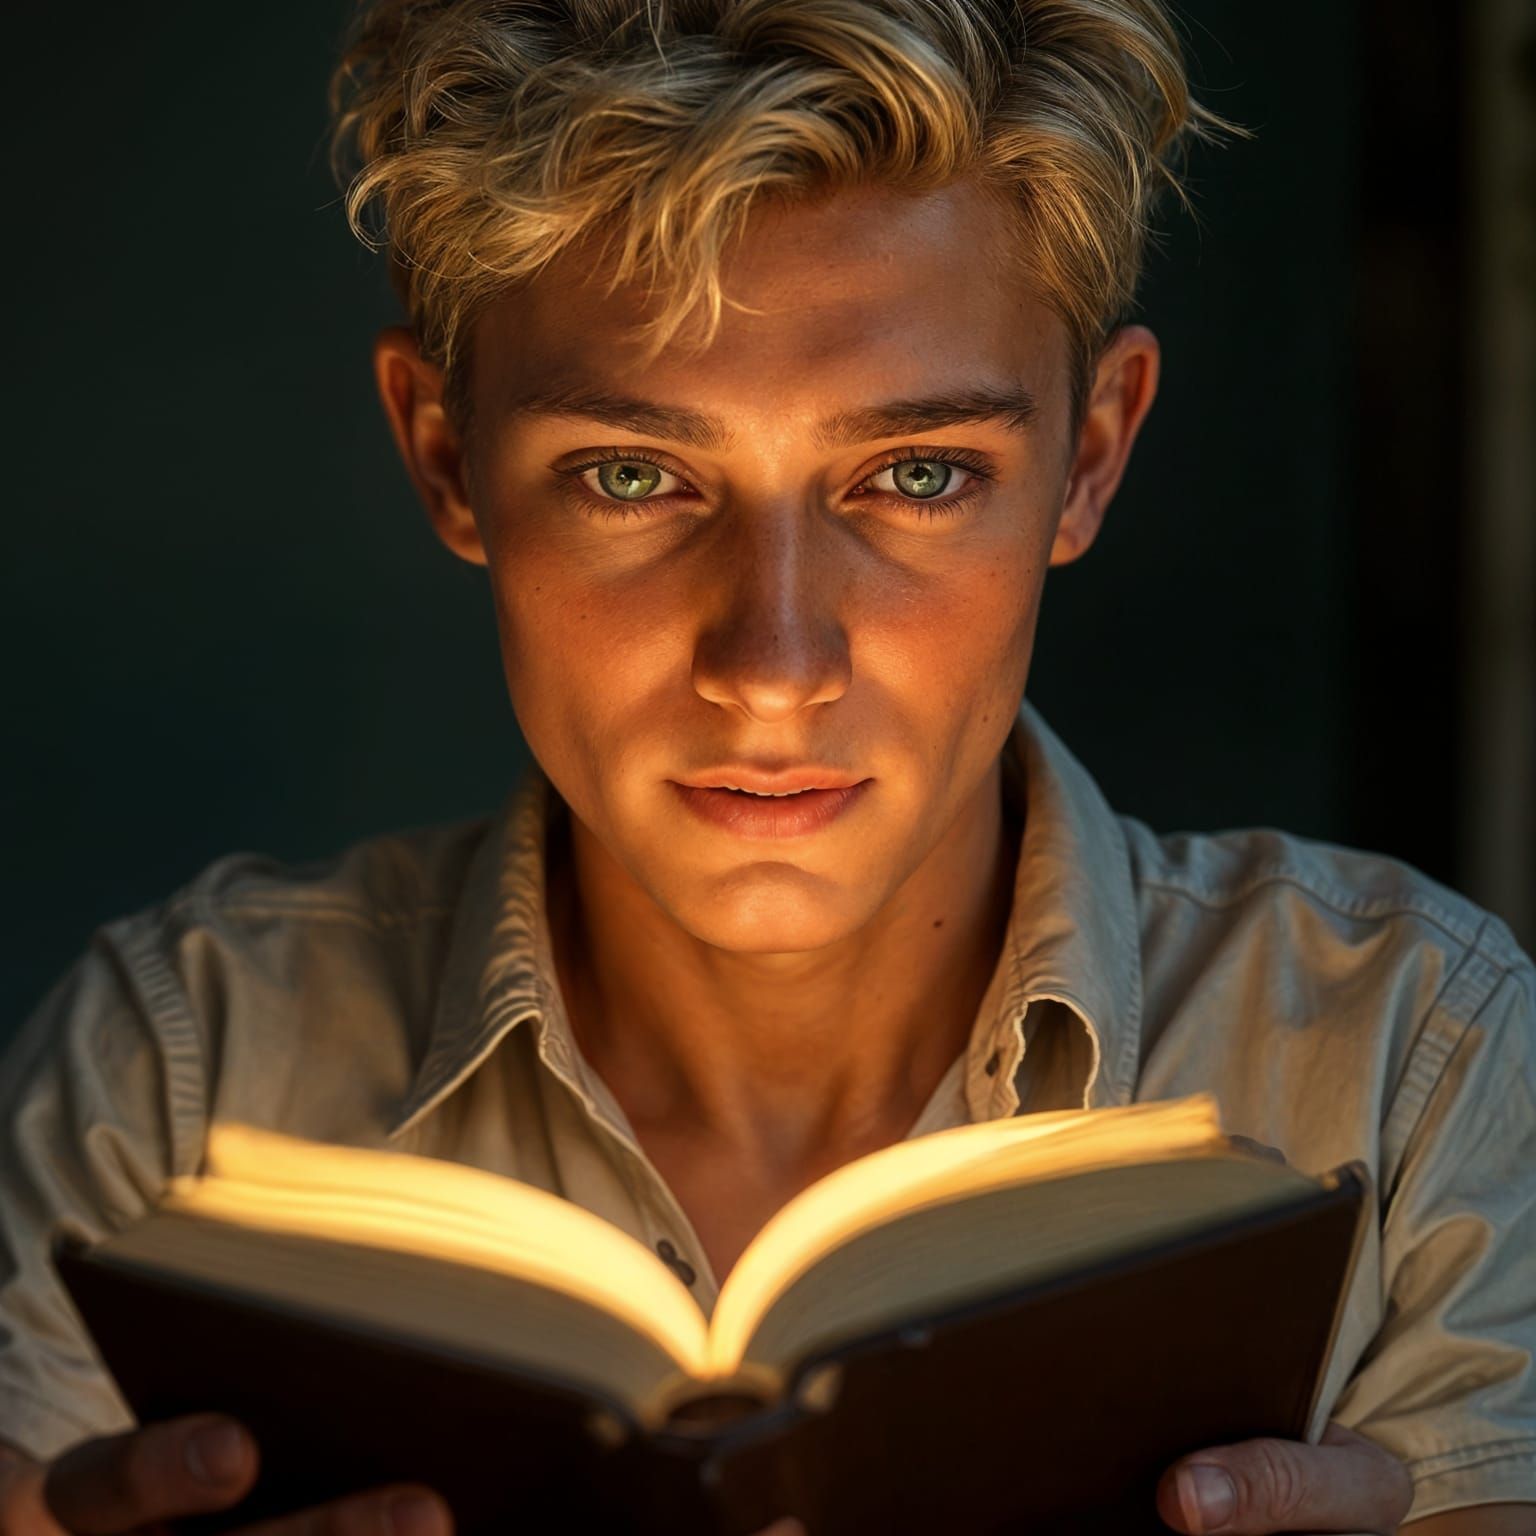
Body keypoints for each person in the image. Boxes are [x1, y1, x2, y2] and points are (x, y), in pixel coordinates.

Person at [1, 0, 1532, 1532]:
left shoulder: (1417, 1071)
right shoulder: (173, 1084)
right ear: (445, 454)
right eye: (631, 476)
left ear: (1092, 453)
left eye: (919, 476)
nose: (776, 664)